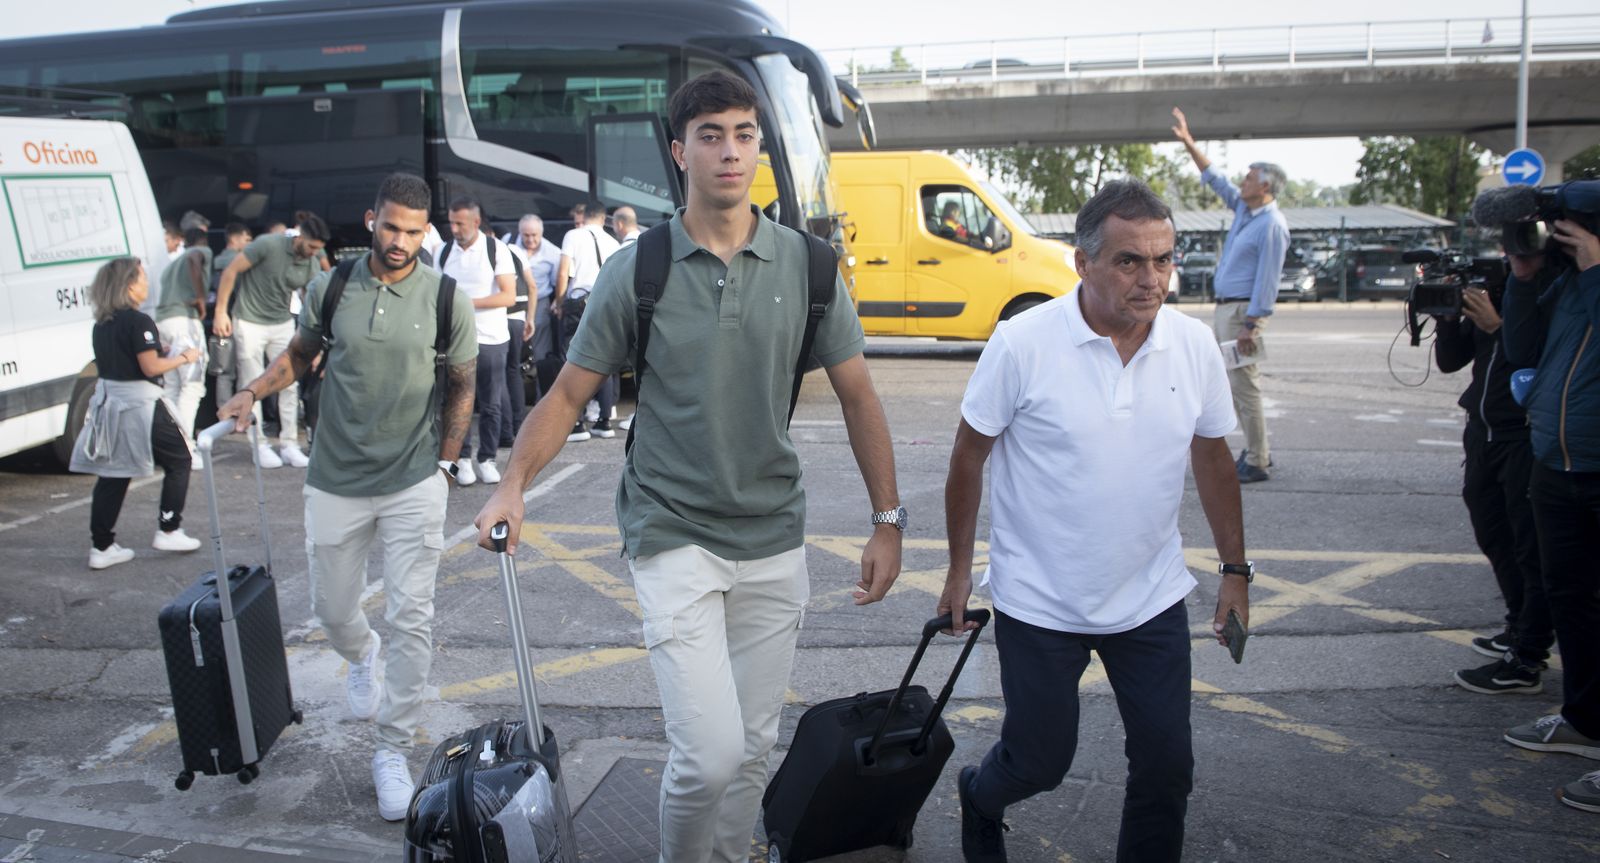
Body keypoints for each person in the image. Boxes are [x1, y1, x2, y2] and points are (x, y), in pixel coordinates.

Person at [474, 70, 903, 861]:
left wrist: (887, 520)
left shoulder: (809, 267)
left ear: (759, 147)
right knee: (706, 755)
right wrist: (511, 482)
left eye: (744, 133)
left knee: (751, 749)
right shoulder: (639, 270)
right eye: (711, 135)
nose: (731, 151)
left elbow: (859, 397)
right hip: (672, 532)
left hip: (773, 534)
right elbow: (569, 393)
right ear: (680, 151)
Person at [940, 179, 1249, 863]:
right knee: (1040, 761)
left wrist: (1234, 571)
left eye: (1164, 259)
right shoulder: (1024, 343)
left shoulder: (1193, 344)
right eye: (1130, 261)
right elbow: (969, 458)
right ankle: (980, 794)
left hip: (1151, 595)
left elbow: (1214, 461)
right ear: (1082, 263)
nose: (1153, 279)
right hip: (1040, 599)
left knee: (1169, 767)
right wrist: (959, 571)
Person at [216, 172, 477, 821]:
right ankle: (362, 653)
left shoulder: (447, 297)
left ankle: (393, 747)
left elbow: (464, 383)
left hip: (414, 478)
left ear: (426, 231)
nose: (400, 241)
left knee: (413, 615)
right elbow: (301, 353)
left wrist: (444, 463)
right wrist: (252, 390)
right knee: (331, 607)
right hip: (336, 475)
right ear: (371, 220)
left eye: (414, 231)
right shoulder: (335, 285)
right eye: (391, 227)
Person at [1499, 213, 1600, 814]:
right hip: (1557, 461)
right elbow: (1520, 346)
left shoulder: (1589, 277)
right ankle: (1584, 721)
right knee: (1572, 602)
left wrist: (1594, 271)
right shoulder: (1565, 283)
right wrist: (1525, 274)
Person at [1433, 283, 1552, 695]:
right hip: (1482, 432)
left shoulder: (1551, 293)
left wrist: (1500, 328)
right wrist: (1448, 322)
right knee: (1493, 534)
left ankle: (1528, 657)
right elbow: (1450, 362)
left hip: (1523, 435)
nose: (1511, 259)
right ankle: (1519, 624)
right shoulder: (1502, 292)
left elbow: (1541, 362)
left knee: (1529, 545)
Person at [1171, 106, 1289, 484]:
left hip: (1242, 315)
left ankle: (1258, 459)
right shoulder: (1244, 209)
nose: (1242, 180)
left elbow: (1267, 280)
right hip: (1230, 311)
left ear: (1265, 186)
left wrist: (1252, 325)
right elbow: (1214, 177)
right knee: (1238, 385)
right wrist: (1189, 143)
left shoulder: (1272, 225)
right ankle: (1258, 452)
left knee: (1245, 385)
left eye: (1250, 177)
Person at [70, 257, 204, 570]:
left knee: (115, 472)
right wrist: (184, 357)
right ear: (130, 285)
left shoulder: (101, 323)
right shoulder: (138, 321)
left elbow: (128, 360)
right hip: (140, 402)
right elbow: (150, 367)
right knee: (180, 458)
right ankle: (169, 529)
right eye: (143, 278)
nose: (147, 283)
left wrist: (162, 353)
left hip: (111, 402)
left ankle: (102, 546)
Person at [212, 212, 329, 469]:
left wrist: (315, 343)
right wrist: (221, 311)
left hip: (281, 321)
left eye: (318, 249)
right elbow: (231, 271)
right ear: (300, 237)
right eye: (311, 246)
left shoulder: (310, 263)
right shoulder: (268, 244)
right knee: (252, 383)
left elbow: (312, 302)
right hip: (249, 319)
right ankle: (260, 445)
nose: (313, 253)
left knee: (289, 383)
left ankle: (289, 444)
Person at [438, 197, 517, 485]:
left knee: (491, 403)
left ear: (475, 222)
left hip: (491, 337)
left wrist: (465, 303)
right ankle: (463, 459)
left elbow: (508, 295)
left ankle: (487, 458)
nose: (454, 228)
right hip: (455, 341)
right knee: (458, 402)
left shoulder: (497, 250)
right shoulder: (444, 251)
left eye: (459, 223)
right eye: (451, 222)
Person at [554, 200, 621, 441]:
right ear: (603, 219)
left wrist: (559, 301)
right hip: (605, 302)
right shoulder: (613, 242)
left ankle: (577, 423)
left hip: (577, 304)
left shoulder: (573, 235)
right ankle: (604, 421)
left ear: (586, 216)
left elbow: (564, 272)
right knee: (603, 361)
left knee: (573, 359)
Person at [154, 226, 212, 465]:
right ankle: (186, 447)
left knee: (172, 387)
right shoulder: (201, 250)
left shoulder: (170, 265)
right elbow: (195, 258)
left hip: (164, 321)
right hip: (184, 322)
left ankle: (170, 445)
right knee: (192, 386)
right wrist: (200, 297)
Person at [509, 214, 562, 404]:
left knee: (541, 354)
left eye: (534, 235)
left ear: (541, 233)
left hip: (540, 303)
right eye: (526, 235)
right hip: (513, 304)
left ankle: (542, 398)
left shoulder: (553, 253)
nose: (530, 240)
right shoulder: (508, 244)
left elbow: (558, 283)